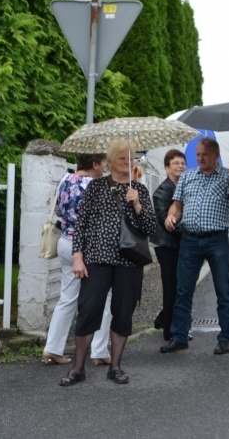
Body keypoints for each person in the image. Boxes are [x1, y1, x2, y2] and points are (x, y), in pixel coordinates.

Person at [59, 140, 157, 386]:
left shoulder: (140, 190)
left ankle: (115, 366)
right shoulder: (96, 187)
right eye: (122, 158)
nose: (128, 162)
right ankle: (78, 368)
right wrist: (78, 256)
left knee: (123, 312)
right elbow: (81, 224)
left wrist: (137, 204)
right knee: (89, 310)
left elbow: (150, 228)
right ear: (110, 161)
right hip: (97, 258)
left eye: (131, 158)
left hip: (129, 260)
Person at [161, 138, 229, 355]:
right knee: (183, 290)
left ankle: (225, 338)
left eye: (204, 154)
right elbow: (177, 205)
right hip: (190, 240)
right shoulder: (187, 177)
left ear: (216, 155)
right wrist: (171, 217)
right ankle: (179, 336)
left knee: (224, 290)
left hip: (217, 240)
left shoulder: (227, 176)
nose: (200, 158)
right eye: (197, 155)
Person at [42, 153, 112, 366]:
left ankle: (53, 348)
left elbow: (59, 210)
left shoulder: (65, 179)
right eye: (103, 164)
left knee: (67, 298)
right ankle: (99, 350)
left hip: (64, 242)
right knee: (105, 297)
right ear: (94, 164)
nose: (104, 168)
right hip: (88, 247)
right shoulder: (97, 186)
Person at [151, 149, 186, 341]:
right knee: (171, 285)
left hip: (180, 244)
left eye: (182, 163)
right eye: (175, 163)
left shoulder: (185, 187)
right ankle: (169, 330)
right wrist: (189, 229)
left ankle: (163, 318)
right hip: (166, 245)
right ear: (167, 168)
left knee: (181, 285)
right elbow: (166, 221)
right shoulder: (162, 191)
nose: (180, 166)